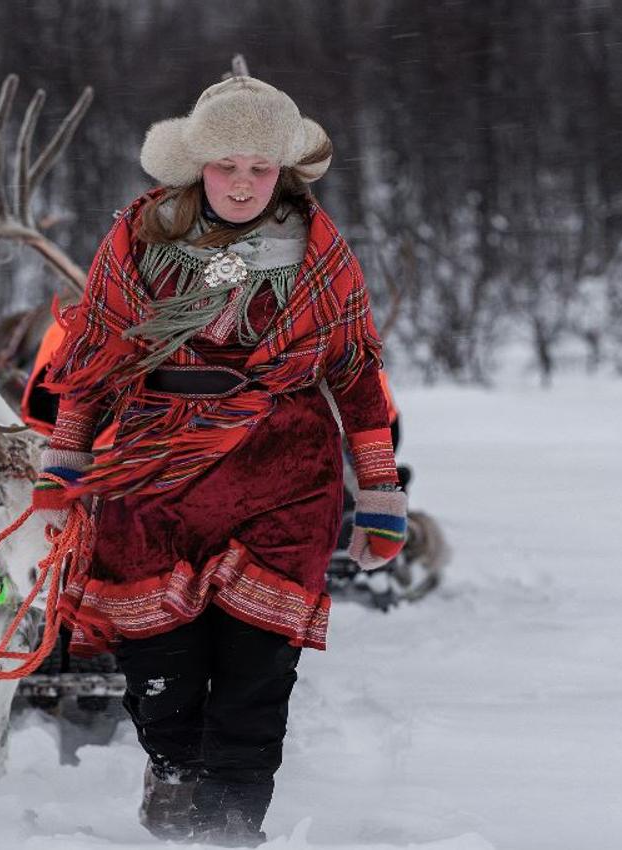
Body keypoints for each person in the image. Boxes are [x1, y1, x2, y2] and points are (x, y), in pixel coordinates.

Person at [31, 76, 408, 845]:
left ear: (284, 173)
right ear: (196, 163)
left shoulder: (322, 254)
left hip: (284, 480)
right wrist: (63, 463)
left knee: (254, 688)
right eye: (226, 164)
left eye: (260, 167)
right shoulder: (138, 238)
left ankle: (232, 832)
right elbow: (96, 355)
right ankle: (174, 781)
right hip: (153, 480)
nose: (242, 183)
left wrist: (380, 495)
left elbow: (357, 377)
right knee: (160, 682)